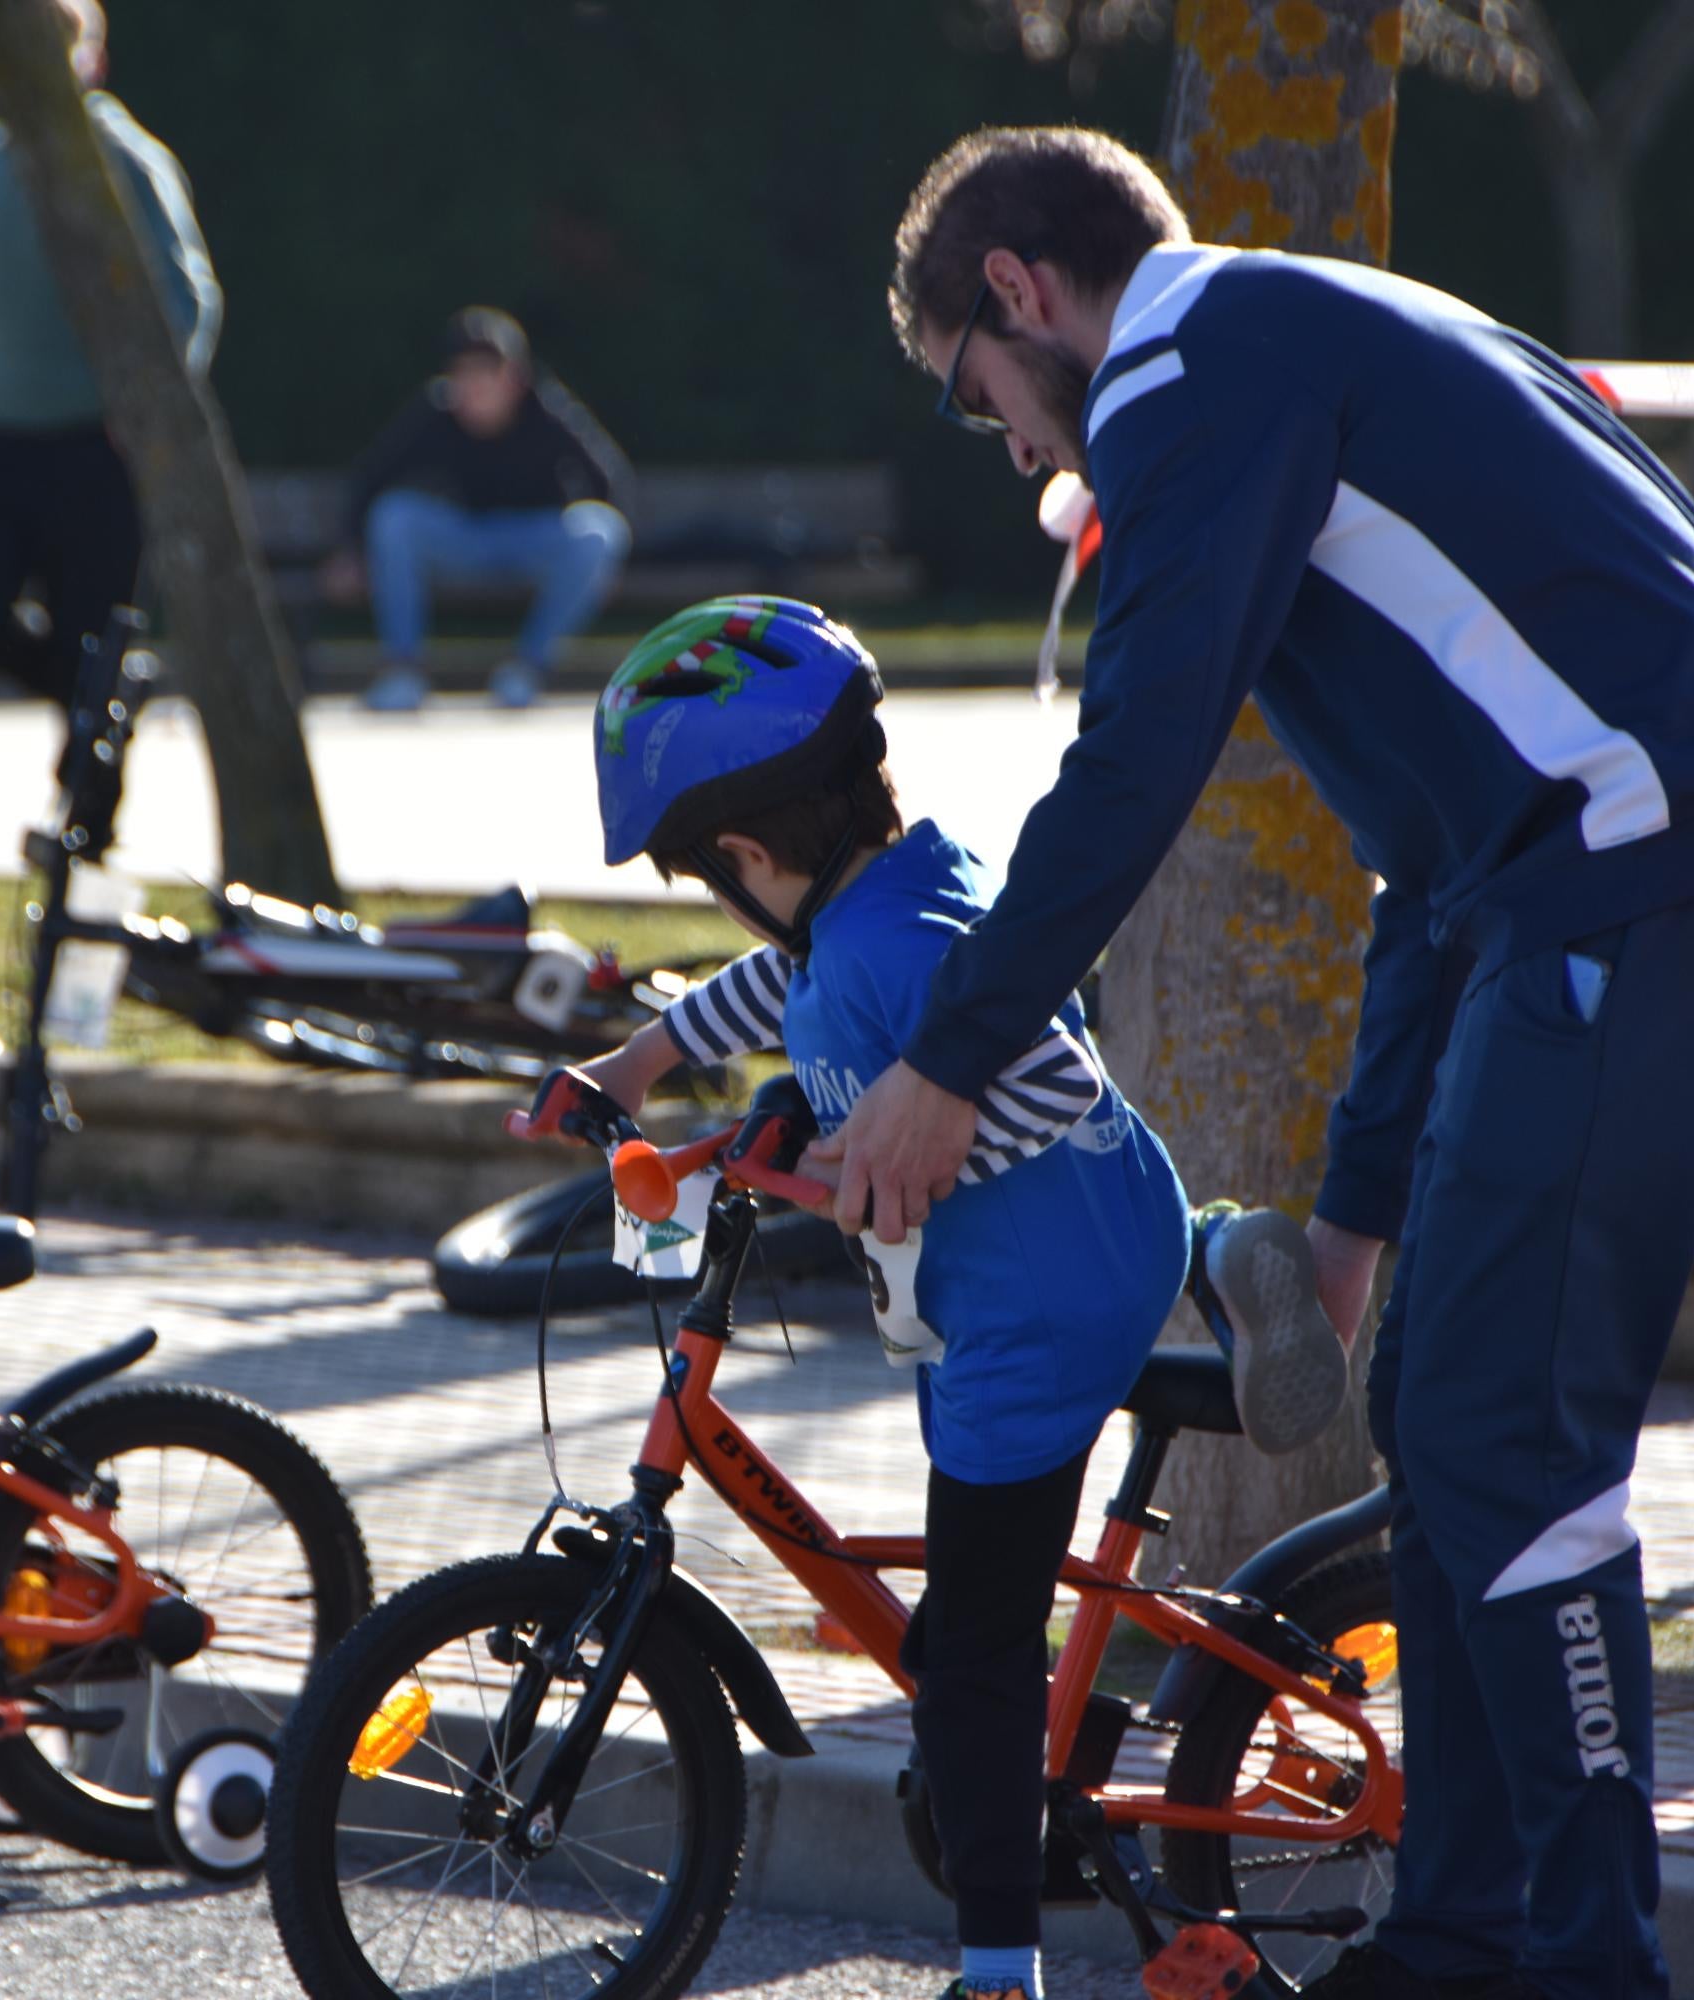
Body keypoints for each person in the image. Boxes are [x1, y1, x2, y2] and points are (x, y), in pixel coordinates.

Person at [840, 129, 1694, 1999]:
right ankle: (1467, 1940)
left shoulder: (1183, 374)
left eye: (980, 398)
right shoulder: (1313, 331)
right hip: (1612, 872)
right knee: (1454, 1430)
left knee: (1510, 1439)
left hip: (1647, 869)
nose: (1013, 450)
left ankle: (1577, 1960)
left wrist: (954, 1058)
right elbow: (1421, 868)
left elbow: (1136, 757)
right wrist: (1359, 1219)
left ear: (1019, 293)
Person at [552, 596, 1341, 2000]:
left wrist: (900, 1131)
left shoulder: (883, 951)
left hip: (1032, 1317)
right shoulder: (887, 893)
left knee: (973, 1662)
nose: (716, 900)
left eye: (702, 874)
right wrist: (632, 1074)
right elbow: (775, 984)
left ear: (744, 852)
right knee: (977, 1606)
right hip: (1120, 1222)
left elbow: (1050, 1075)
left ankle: (995, 1971)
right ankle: (1218, 1255)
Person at [0, 0, 219, 707]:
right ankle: (97, 696)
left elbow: (190, 297)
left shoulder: (130, 161)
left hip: (98, 445)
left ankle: (91, 801)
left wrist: (147, 413)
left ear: (95, 60)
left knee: (93, 631)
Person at [326, 307, 635, 711]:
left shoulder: (546, 408)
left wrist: (609, 568)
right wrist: (351, 551)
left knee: (599, 530)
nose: (475, 385)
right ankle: (403, 670)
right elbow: (370, 479)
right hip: (464, 540)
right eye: (464, 372)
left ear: (515, 377)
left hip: (531, 543)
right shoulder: (435, 412)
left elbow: (606, 478)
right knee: (394, 516)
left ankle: (526, 668)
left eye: (487, 371)